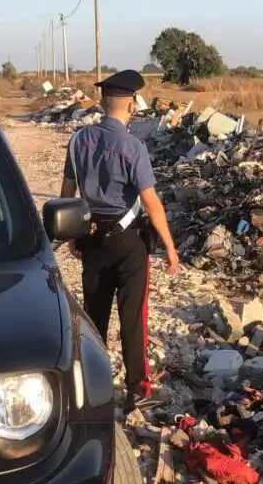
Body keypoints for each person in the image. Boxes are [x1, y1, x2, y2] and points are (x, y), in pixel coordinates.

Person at [60, 69, 180, 412]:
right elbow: (152, 204)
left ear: (101, 103)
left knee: (93, 317)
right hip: (129, 242)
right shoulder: (133, 147)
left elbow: (67, 194)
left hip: (91, 237)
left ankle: (92, 389)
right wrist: (170, 247)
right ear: (131, 105)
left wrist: (72, 236)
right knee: (133, 317)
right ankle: (138, 389)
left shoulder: (78, 141)